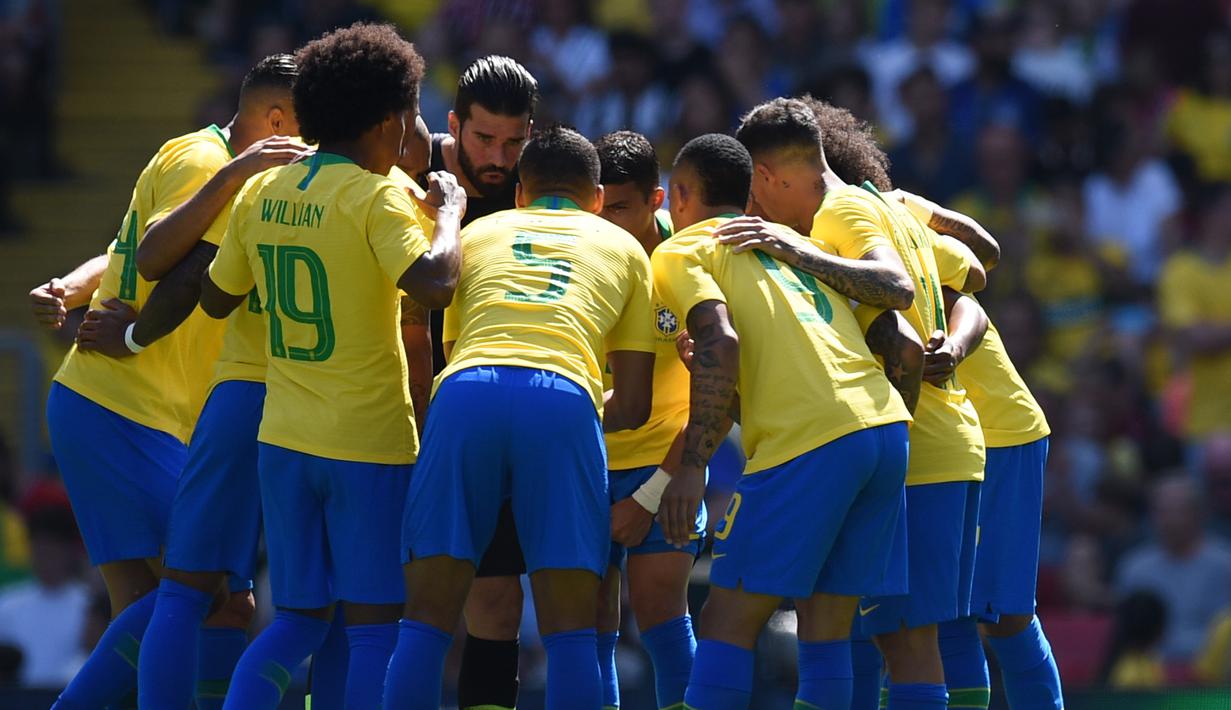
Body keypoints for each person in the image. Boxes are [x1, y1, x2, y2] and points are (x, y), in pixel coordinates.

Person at [199, 22, 464, 709]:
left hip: (284, 439)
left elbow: (216, 296)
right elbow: (436, 283)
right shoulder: (377, 197)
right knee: (374, 631)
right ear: (389, 121)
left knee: (295, 623)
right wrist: (448, 214)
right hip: (367, 442)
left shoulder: (263, 190)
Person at [38, 54, 303, 709]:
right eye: (311, 124)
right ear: (277, 122)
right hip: (124, 406)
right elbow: (155, 252)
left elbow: (121, 251)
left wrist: (71, 287)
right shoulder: (214, 167)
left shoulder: (197, 152)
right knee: (207, 590)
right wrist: (130, 330)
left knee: (174, 605)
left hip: (128, 409)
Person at [724, 97, 988, 710]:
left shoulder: (838, 213)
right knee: (891, 637)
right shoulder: (880, 203)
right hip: (940, 442)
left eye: (755, 193)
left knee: (906, 641)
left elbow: (895, 291)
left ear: (765, 175)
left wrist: (794, 251)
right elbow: (976, 268)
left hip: (922, 451)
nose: (757, 210)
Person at [387, 125, 656, 710]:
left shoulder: (477, 233)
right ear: (597, 199)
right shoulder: (626, 248)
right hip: (564, 400)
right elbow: (635, 405)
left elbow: (452, 347)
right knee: (572, 633)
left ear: (519, 194)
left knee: (426, 621)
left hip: (465, 394)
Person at [809, 99, 1065, 709]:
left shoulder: (878, 222)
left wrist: (922, 212)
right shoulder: (845, 233)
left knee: (1002, 617)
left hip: (999, 429)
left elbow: (973, 280)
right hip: (939, 439)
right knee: (936, 619)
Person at [647, 132, 910, 710]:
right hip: (884, 430)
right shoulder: (792, 243)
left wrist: (692, 468)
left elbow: (720, 341)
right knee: (825, 623)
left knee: (725, 618)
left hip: (810, 440)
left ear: (680, 195)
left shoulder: (683, 249)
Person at [428, 54, 541, 710]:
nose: (499, 158)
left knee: (497, 602)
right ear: (452, 126)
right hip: (401, 415)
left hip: (503, 420)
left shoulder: (543, 185)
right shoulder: (409, 174)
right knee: (394, 603)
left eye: (513, 141)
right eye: (483, 139)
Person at [593, 130, 707, 710]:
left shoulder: (684, 266)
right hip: (586, 464)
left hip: (665, 469)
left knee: (661, 613)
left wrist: (654, 490)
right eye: (598, 205)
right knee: (586, 626)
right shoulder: (582, 255)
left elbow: (715, 392)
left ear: (656, 200)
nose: (604, 221)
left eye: (619, 207)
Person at [1116, 476, 1231, 665]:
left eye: (1179, 511)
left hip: (1210, 674)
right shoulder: (1134, 568)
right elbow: (1127, 636)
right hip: (1148, 674)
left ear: (1200, 514)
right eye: (1163, 512)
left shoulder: (1224, 565)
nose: (1170, 520)